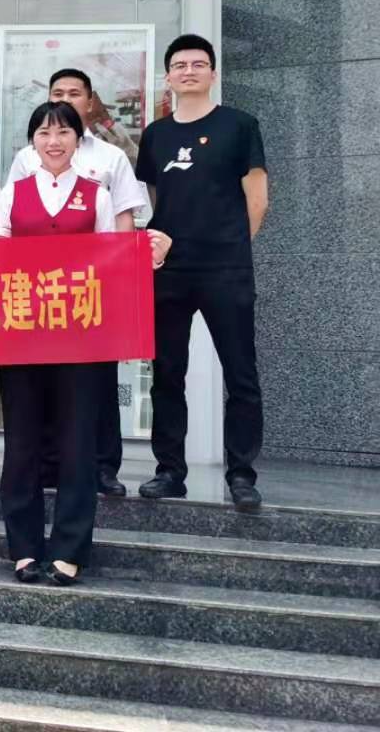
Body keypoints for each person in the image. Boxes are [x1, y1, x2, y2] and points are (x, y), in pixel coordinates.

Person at [0, 101, 171, 585]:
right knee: (21, 444)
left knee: (78, 443)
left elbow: (115, 256)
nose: (54, 142)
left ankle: (69, 549)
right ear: (32, 143)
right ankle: (24, 548)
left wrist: (148, 253)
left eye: (63, 132)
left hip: (81, 337)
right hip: (22, 334)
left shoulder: (96, 194)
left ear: (77, 140)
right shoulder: (12, 193)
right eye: (44, 133)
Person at [136, 34, 267, 512]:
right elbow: (155, 197)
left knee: (241, 373)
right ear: (168, 77)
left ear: (213, 73)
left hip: (225, 267)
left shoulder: (239, 125)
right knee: (168, 373)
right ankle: (170, 471)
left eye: (198, 63)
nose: (188, 71)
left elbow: (258, 198)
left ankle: (241, 474)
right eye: (179, 65)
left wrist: (229, 245)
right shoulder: (156, 134)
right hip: (169, 270)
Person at [8, 67, 149, 499]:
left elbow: (123, 222)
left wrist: (119, 279)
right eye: (57, 93)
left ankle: (103, 467)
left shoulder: (110, 157)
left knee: (98, 383)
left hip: (91, 291)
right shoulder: (26, 157)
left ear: (90, 101)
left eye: (74, 93)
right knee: (46, 381)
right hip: (38, 295)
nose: (65, 100)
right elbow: (12, 223)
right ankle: (50, 464)